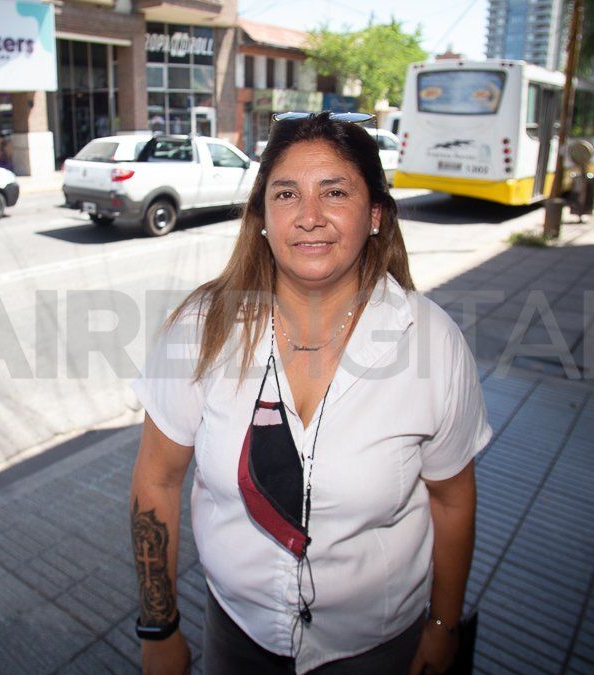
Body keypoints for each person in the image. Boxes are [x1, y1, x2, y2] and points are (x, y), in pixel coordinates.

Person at [129, 112, 492, 674]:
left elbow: (451, 500)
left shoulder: (432, 342)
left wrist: (443, 625)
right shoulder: (204, 329)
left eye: (335, 192)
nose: (310, 217)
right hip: (237, 633)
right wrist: (159, 628)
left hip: (376, 646)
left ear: (374, 214)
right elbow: (156, 479)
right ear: (263, 217)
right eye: (286, 194)